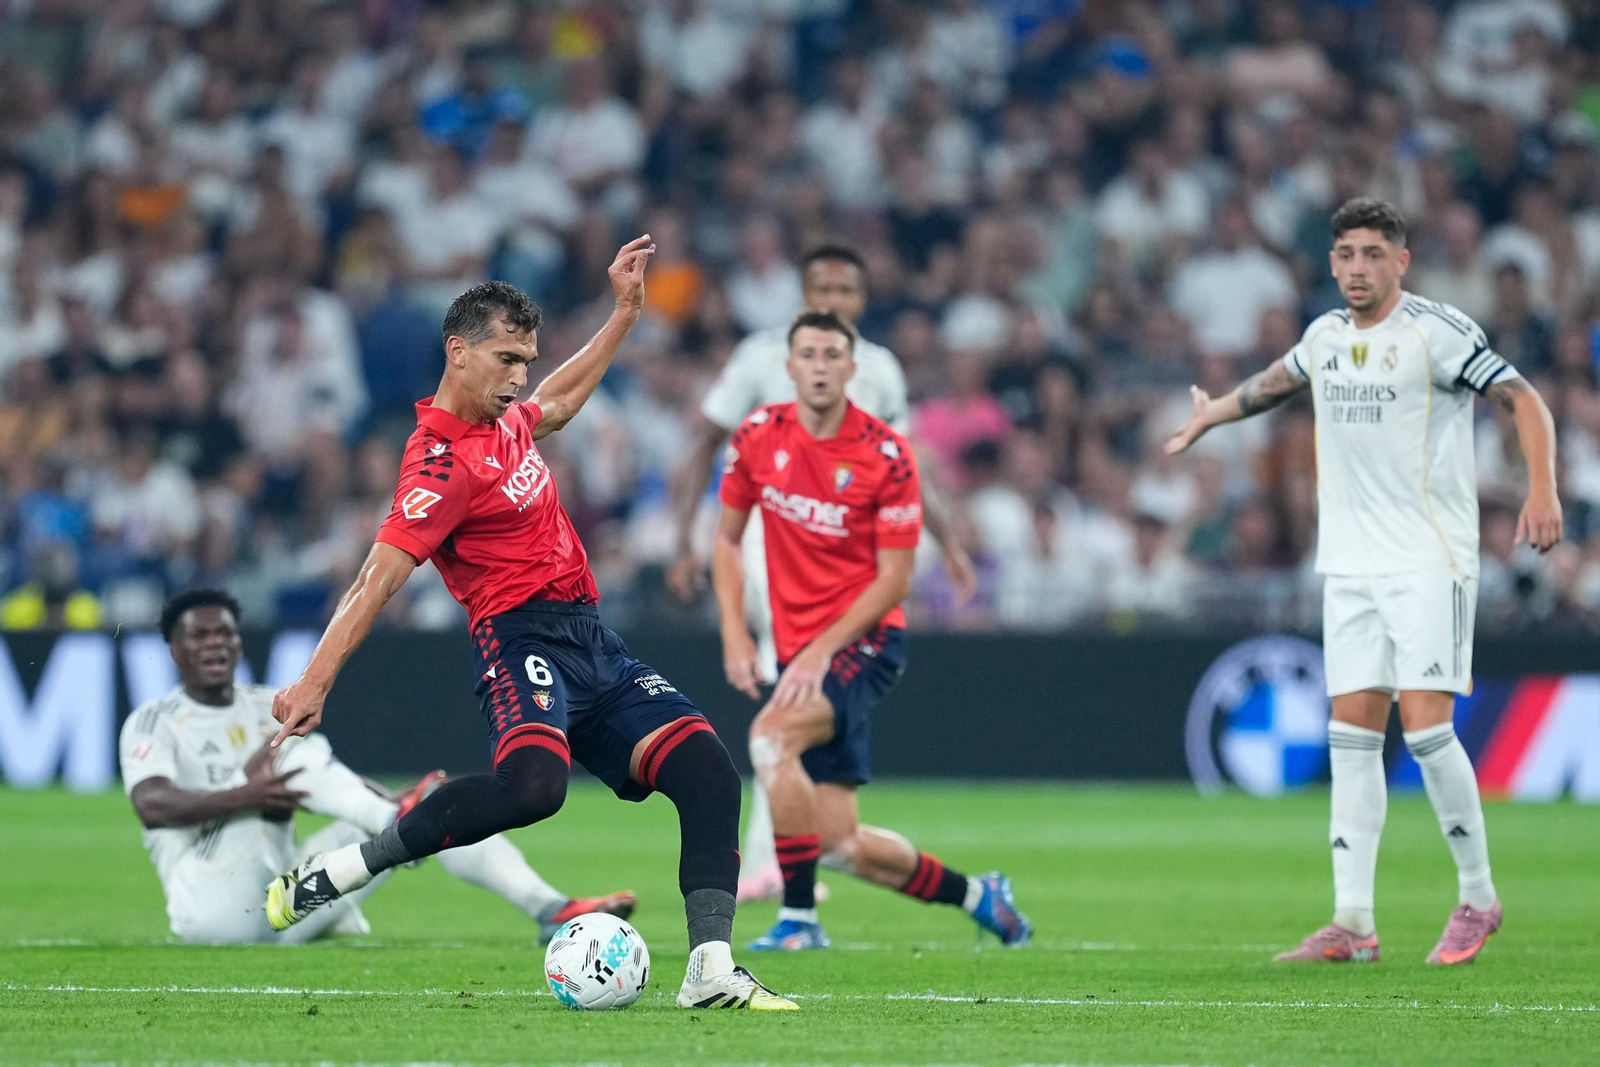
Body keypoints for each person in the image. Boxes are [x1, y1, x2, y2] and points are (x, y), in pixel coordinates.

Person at [262, 241, 797, 1011]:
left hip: (592, 638)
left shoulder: (507, 421)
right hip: (519, 642)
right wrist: (315, 681)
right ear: (459, 351)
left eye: (526, 359)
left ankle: (710, 970)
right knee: (535, 789)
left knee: (708, 770)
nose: (520, 377)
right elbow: (376, 577)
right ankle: (348, 867)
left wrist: (623, 313)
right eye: (508, 358)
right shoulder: (439, 465)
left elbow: (564, 397)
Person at [1165, 197, 1563, 965]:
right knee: (1350, 736)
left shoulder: (1436, 332)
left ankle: (1479, 897)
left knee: (1426, 729)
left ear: (1401, 262)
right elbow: (1278, 381)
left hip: (1429, 558)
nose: (1356, 268)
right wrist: (1215, 411)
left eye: (1372, 254)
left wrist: (1542, 488)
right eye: (1345, 253)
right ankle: (1352, 922)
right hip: (1348, 564)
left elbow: (1525, 400)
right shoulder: (1325, 336)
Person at [712, 309, 1032, 951]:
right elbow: (725, 538)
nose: (822, 366)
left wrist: (819, 652)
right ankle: (979, 895)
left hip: (864, 644)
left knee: (771, 739)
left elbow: (895, 578)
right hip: (802, 648)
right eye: (809, 354)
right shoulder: (755, 436)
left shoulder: (885, 454)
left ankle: (799, 921)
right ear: (790, 366)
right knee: (835, 842)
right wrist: (735, 635)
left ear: (853, 370)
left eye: (834, 355)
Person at [667, 242, 978, 904]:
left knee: (792, 706)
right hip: (764, 532)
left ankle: (780, 865)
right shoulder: (760, 357)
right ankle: (779, 872)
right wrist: (685, 540)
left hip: (846, 554)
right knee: (790, 686)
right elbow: (704, 446)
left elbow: (909, 461)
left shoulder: (880, 370)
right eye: (822, 289)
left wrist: (947, 541)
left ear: (862, 302)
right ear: (803, 296)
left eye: (846, 291)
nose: (833, 301)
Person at [120, 589, 635, 945]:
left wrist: (386, 803)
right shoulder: (155, 721)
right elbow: (151, 803)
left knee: (440, 811)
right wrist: (245, 794)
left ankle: (551, 908)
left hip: (286, 900)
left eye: (225, 634)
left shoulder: (264, 703)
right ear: (173, 650)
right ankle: (393, 820)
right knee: (294, 754)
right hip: (215, 911)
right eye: (200, 635)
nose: (216, 643)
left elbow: (330, 775)